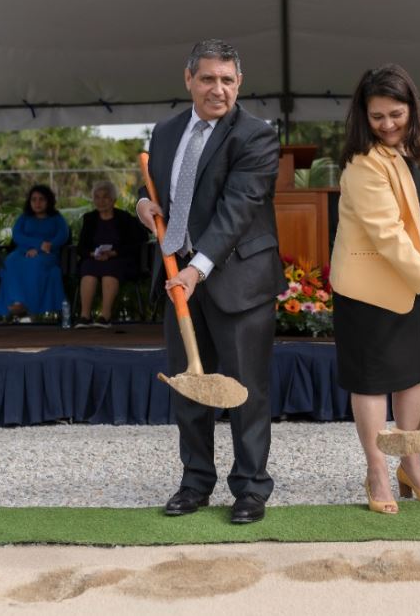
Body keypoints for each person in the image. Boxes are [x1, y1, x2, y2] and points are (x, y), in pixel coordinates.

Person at [136, 39, 285, 524]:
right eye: (207, 79)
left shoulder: (257, 135)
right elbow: (159, 186)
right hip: (179, 280)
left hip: (235, 279)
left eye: (227, 80)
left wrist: (197, 268)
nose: (217, 89)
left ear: (239, 83)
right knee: (189, 387)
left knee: (245, 390)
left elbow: (237, 209)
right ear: (189, 80)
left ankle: (249, 489)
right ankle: (195, 483)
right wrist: (142, 203)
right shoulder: (165, 131)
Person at [329, 64, 420, 515]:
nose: (388, 124)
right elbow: (387, 233)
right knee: (372, 384)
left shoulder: (417, 145)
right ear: (362, 117)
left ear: (412, 109)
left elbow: (419, 201)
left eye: (396, 113)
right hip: (368, 289)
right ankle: (376, 471)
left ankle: (412, 465)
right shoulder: (361, 164)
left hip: (407, 284)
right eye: (377, 117)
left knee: (410, 378)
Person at [0, 184, 70, 320]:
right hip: (23, 251)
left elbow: (63, 235)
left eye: (41, 199)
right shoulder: (25, 217)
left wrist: (45, 247)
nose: (37, 203)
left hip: (47, 254)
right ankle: (18, 303)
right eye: (33, 199)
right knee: (10, 262)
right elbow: (17, 235)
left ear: (49, 201)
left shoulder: (57, 218)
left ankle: (30, 308)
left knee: (36, 263)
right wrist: (37, 245)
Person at [76, 181, 146, 327]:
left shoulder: (125, 218)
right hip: (94, 258)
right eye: (97, 197)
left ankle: (105, 317)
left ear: (114, 199)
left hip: (119, 259)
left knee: (110, 269)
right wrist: (92, 254)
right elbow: (81, 247)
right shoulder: (89, 219)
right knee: (88, 269)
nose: (101, 201)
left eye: (105, 197)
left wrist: (114, 253)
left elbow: (137, 242)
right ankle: (85, 316)